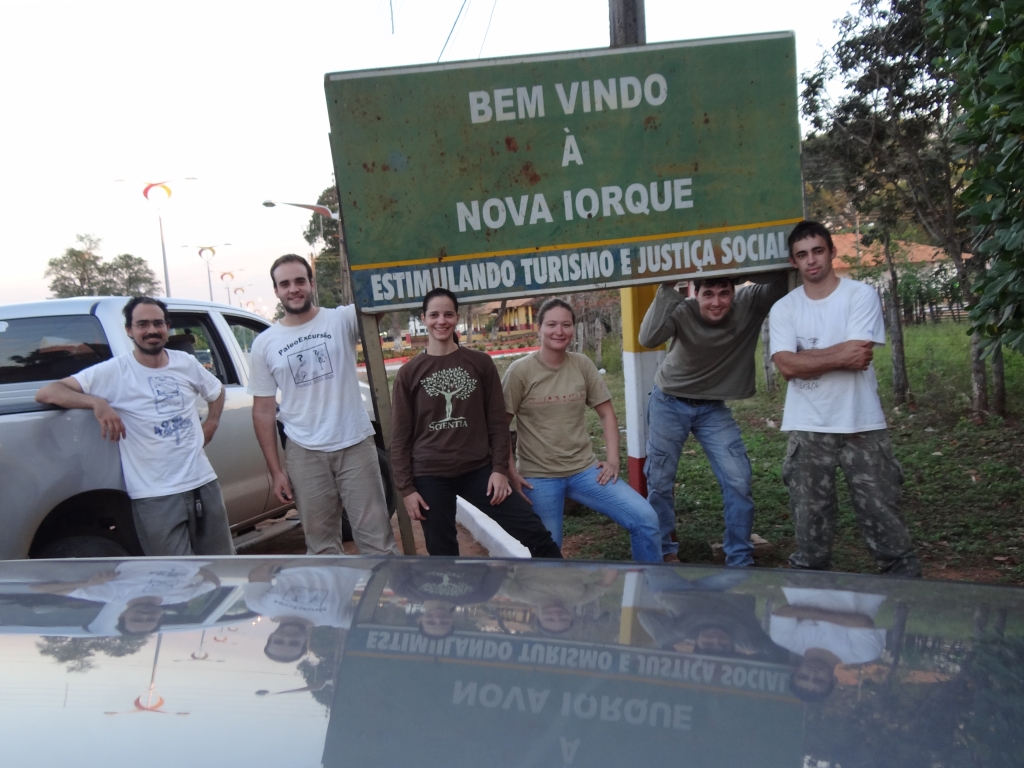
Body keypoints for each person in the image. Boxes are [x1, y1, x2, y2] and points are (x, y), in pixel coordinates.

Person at [769, 220, 921, 576]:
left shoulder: (860, 294)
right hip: (807, 426)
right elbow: (787, 367)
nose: (811, 261)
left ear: (832, 252)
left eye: (818, 251)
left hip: (861, 422)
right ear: (794, 262)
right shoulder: (785, 308)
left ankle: (905, 595)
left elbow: (860, 356)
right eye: (802, 255)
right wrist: (835, 356)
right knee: (810, 525)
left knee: (882, 512)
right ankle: (811, 610)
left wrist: (804, 359)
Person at [35, 297, 234, 556]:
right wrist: (96, 402)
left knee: (222, 568)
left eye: (157, 323)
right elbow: (48, 392)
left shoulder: (185, 362)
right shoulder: (114, 372)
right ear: (129, 330)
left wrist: (212, 422)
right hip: (154, 494)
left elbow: (216, 391)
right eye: (142, 324)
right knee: (175, 578)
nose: (151, 330)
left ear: (167, 327)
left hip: (202, 482)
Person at [391, 288, 562, 558]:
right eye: (434, 315)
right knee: (443, 554)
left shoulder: (479, 363)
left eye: (448, 314)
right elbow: (400, 437)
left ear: (456, 318)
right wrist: (407, 489)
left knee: (534, 533)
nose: (441, 321)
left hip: (478, 471)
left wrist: (498, 470)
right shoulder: (409, 373)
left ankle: (560, 594)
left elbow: (497, 420)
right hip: (430, 475)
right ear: (424, 318)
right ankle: (448, 602)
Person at [248, 255, 399, 556]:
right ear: (276, 291)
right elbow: (263, 410)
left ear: (311, 284)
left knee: (377, 540)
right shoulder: (265, 344)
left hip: (355, 443)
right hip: (304, 453)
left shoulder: (341, 319)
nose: (294, 289)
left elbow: (377, 301)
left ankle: (383, 601)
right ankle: (337, 602)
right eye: (285, 284)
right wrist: (276, 471)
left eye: (300, 281)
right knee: (321, 547)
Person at [638, 271, 789, 565]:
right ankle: (664, 551)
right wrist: (668, 285)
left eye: (724, 293)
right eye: (708, 294)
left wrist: (741, 269)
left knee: (738, 479)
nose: (717, 302)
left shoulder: (750, 301)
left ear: (735, 291)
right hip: (669, 400)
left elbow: (784, 279)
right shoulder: (683, 309)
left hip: (712, 408)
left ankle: (739, 556)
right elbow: (648, 338)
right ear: (696, 292)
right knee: (660, 480)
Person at [502, 298, 661, 562]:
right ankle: (553, 603)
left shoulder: (582, 364)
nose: (559, 331)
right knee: (549, 552)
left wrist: (613, 461)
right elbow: (499, 426)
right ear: (538, 328)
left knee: (645, 519)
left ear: (573, 329)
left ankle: (648, 594)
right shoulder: (520, 371)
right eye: (551, 324)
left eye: (566, 325)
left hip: (584, 472)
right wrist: (511, 473)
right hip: (538, 477)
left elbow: (607, 413)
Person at [769, 586, 889, 701]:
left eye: (803, 676)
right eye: (819, 680)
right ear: (834, 679)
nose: (812, 673)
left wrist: (845, 620)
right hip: (863, 582)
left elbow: (783, 611)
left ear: (795, 671)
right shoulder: (863, 654)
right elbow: (863, 621)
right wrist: (806, 614)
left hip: (808, 575)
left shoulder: (783, 639)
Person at [244, 561, 372, 662]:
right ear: (306, 642)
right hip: (353, 563)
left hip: (303, 558)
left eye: (278, 641)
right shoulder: (338, 619)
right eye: (294, 643)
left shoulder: (258, 605)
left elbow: (258, 574)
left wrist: (288, 560)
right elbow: (373, 622)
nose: (287, 638)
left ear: (271, 636)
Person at [499, 565, 618, 634]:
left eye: (549, 619)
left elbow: (496, 568)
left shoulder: (518, 594)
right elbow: (606, 583)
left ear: (538, 617)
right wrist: (611, 566)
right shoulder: (581, 598)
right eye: (563, 618)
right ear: (570, 616)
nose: (556, 615)